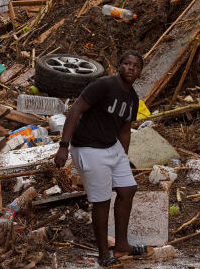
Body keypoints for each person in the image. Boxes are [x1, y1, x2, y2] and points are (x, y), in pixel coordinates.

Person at [54, 50, 150, 267]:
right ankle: (103, 253)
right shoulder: (103, 85)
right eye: (126, 63)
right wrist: (63, 146)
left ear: (140, 72)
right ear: (119, 66)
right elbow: (76, 109)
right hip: (88, 147)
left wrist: (123, 157)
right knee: (102, 200)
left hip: (112, 147)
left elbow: (125, 129)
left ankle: (122, 245)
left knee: (127, 190)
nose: (130, 68)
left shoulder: (133, 98)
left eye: (135, 66)